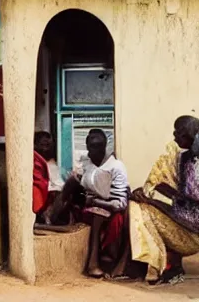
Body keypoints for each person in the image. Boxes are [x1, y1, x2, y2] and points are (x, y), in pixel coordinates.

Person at [50, 129, 130, 278]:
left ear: (104, 147)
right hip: (88, 203)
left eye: (97, 148)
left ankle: (93, 263)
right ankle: (53, 219)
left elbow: (120, 203)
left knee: (97, 215)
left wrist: (96, 201)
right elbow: (84, 184)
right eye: (91, 147)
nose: (93, 152)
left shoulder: (116, 167)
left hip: (108, 207)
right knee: (71, 183)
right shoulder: (86, 162)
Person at [129, 115, 199, 285]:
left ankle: (158, 265)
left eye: (179, 132)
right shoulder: (183, 159)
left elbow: (191, 209)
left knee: (142, 210)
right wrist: (154, 192)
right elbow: (182, 198)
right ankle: (165, 264)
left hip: (194, 230)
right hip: (186, 222)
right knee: (137, 205)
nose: (175, 136)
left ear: (193, 133)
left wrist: (153, 201)